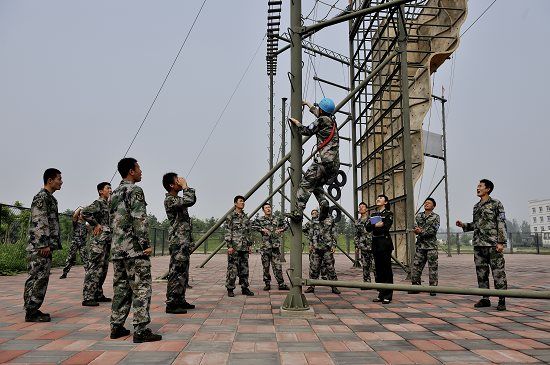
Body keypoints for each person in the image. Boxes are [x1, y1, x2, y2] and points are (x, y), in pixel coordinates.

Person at [109, 158, 161, 342]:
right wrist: (145, 243)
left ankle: (116, 327)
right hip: (134, 250)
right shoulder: (135, 190)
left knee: (121, 289)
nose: (141, 171)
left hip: (117, 250)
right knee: (141, 288)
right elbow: (139, 219)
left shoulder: (113, 193)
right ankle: (140, 330)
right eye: (139, 168)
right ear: (131, 171)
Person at [456, 179, 508, 311]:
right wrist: (464, 225)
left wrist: (501, 242)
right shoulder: (476, 206)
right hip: (479, 245)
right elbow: (476, 225)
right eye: (477, 186)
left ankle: (502, 299)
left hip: (493, 244)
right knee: (481, 273)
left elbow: (501, 222)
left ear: (488, 189)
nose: (477, 188)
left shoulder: (496, 204)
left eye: (480, 186)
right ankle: (485, 299)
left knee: (498, 273)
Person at [287, 98, 339, 222]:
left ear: (322, 110)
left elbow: (306, 130)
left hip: (322, 163)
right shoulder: (331, 121)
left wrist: (296, 123)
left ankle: (297, 213)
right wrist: (307, 103)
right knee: (316, 185)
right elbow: (318, 113)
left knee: (305, 185)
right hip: (334, 166)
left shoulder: (321, 120)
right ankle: (323, 202)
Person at [24, 168, 63, 322]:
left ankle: (32, 308)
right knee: (37, 277)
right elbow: (39, 221)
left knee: (41, 277)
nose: (61, 182)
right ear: (50, 180)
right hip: (39, 247)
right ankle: (31, 311)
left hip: (45, 246)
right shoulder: (41, 197)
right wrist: (42, 245)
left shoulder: (51, 199)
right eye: (59, 178)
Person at [163, 173, 197, 314]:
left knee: (183, 272)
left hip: (183, 240)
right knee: (175, 273)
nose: (181, 181)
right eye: (178, 180)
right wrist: (186, 186)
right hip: (177, 241)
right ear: (172, 185)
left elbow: (190, 200)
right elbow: (190, 200)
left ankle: (180, 300)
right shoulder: (170, 200)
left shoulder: (177, 199)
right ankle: (171, 303)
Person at [81, 182, 112, 306]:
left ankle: (98, 293)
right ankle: (88, 297)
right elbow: (84, 212)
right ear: (100, 191)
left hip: (107, 240)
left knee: (103, 268)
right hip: (98, 241)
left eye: (110, 188)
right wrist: (96, 224)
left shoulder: (108, 204)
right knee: (94, 268)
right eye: (107, 188)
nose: (110, 190)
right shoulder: (98, 203)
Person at [252, 203, 290, 291]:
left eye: (269, 207)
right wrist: (261, 229)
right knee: (266, 266)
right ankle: (267, 283)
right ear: (263, 210)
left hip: (275, 247)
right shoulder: (260, 220)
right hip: (265, 247)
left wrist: (281, 229)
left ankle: (281, 284)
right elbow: (252, 226)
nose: (268, 209)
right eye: (266, 208)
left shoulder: (276, 219)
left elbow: (286, 224)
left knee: (277, 266)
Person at [224, 195, 254, 297]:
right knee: (233, 268)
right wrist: (229, 246)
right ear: (235, 203)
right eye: (241, 201)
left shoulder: (246, 217)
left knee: (245, 269)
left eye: (243, 201)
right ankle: (230, 288)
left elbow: (248, 232)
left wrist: (249, 245)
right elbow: (228, 231)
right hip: (235, 247)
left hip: (244, 247)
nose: (243, 203)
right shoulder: (230, 216)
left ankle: (245, 288)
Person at [366, 194, 394, 304]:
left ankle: (388, 295)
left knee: (386, 269)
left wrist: (379, 226)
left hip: (384, 243)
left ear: (386, 202)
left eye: (381, 198)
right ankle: (381, 293)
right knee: (378, 270)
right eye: (377, 198)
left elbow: (386, 226)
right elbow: (368, 227)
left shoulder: (388, 214)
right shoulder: (374, 214)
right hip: (376, 243)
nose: (378, 199)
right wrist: (375, 225)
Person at [304, 212, 341, 295]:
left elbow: (334, 232)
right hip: (316, 248)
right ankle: (311, 286)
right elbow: (311, 232)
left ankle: (334, 286)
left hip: (327, 248)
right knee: (314, 267)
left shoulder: (331, 220)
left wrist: (334, 245)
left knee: (330, 267)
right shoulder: (315, 220)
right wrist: (310, 244)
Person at [409, 198, 440, 295]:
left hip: (431, 247)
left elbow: (433, 230)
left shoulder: (436, 217)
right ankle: (415, 286)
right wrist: (416, 230)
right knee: (416, 266)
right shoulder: (418, 216)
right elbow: (414, 227)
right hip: (420, 246)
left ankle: (433, 288)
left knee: (433, 268)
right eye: (425, 202)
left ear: (433, 206)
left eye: (429, 203)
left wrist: (421, 231)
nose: (426, 204)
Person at [60, 208, 89, 279]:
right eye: (81, 214)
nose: (83, 215)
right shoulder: (75, 223)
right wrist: (80, 208)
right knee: (70, 258)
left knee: (85, 258)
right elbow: (74, 216)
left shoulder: (86, 225)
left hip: (82, 243)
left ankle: (88, 273)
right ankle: (65, 273)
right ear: (79, 216)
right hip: (75, 243)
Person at [355, 202, 374, 288]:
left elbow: (377, 230)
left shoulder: (372, 219)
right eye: (360, 207)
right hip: (363, 246)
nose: (361, 208)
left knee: (375, 265)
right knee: (365, 265)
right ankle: (366, 283)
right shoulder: (357, 222)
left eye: (363, 207)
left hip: (373, 245)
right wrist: (356, 246)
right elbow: (356, 234)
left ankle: (378, 284)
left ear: (366, 209)